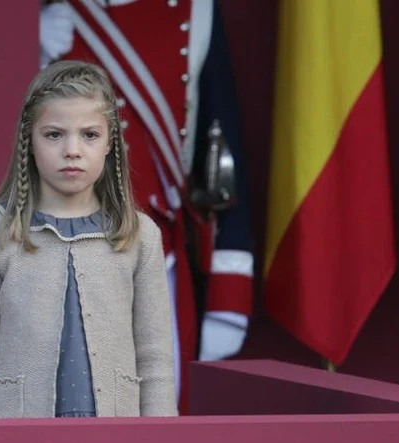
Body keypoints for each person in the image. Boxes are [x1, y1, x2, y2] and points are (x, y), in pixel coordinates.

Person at [39, 0, 254, 413]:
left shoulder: (196, 12)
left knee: (157, 418)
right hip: (51, 250)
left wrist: (230, 295)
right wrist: (22, 47)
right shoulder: (48, 15)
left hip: (158, 249)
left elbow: (222, 140)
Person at [0, 60, 178, 419]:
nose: (72, 150)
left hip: (116, 441)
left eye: (89, 135)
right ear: (30, 141)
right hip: (14, 441)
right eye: (54, 135)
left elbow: (156, 360)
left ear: (109, 144)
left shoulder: (139, 236)